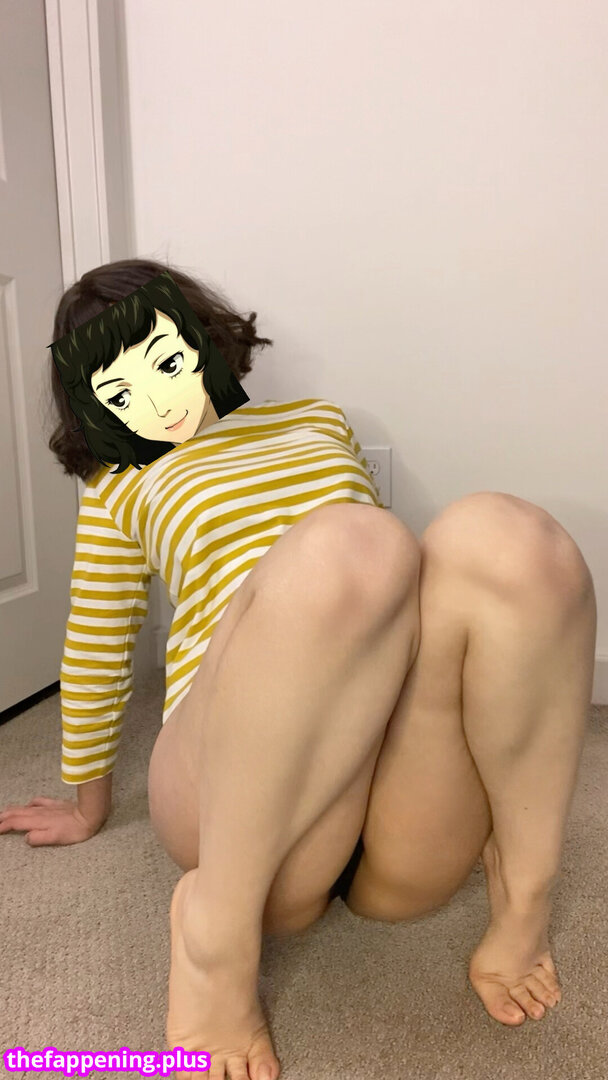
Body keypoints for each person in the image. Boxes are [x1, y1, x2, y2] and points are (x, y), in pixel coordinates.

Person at [0, 258, 597, 1080]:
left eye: (164, 361)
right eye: (119, 390)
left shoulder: (319, 421)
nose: (159, 399)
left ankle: (524, 894)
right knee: (355, 543)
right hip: (238, 788)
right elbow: (97, 638)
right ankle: (214, 933)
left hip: (395, 777)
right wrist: (87, 801)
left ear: (203, 340)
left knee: (513, 539)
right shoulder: (119, 481)